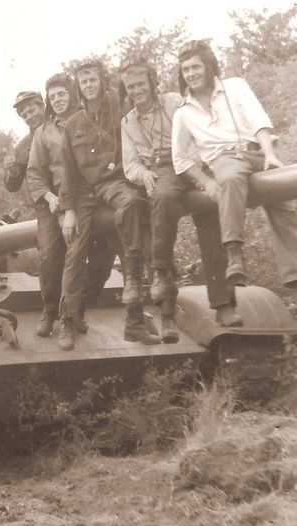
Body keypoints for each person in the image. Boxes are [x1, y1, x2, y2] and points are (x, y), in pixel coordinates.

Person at [171, 40, 297, 312]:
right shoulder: (183, 113)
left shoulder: (235, 86)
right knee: (230, 178)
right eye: (186, 70)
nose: (191, 74)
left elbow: (258, 121)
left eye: (196, 67)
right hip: (224, 159)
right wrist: (206, 181)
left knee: (283, 197)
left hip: (254, 151)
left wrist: (270, 155)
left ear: (209, 66)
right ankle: (234, 253)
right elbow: (179, 159)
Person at [119, 59, 241, 340]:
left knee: (211, 220)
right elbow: (130, 164)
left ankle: (224, 304)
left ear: (152, 81)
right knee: (162, 199)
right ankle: (161, 274)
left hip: (194, 162)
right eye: (130, 87)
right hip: (163, 170)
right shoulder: (127, 122)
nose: (137, 91)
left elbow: (199, 132)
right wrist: (144, 175)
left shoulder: (175, 102)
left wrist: (198, 170)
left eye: (141, 84)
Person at [60, 61, 159, 349]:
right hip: (82, 194)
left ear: (102, 81)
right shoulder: (73, 124)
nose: (88, 85)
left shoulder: (120, 110)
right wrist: (68, 211)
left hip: (113, 183)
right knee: (75, 255)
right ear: (79, 88)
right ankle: (68, 321)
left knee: (131, 219)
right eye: (83, 82)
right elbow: (68, 171)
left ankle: (135, 323)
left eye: (92, 79)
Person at [26, 73, 119, 339]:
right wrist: (49, 198)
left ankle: (78, 309)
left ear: (72, 94)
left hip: (90, 196)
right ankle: (50, 311)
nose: (57, 100)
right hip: (54, 200)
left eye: (62, 94)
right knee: (50, 255)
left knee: (103, 256)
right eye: (52, 96)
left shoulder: (88, 121)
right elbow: (34, 172)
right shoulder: (43, 132)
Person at [4, 91, 46, 192]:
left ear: (42, 106)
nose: (29, 117)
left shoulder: (64, 128)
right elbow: (12, 187)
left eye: (31, 111)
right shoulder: (22, 147)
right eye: (24, 116)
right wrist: (12, 171)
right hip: (44, 199)